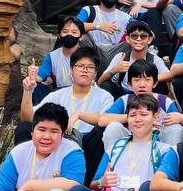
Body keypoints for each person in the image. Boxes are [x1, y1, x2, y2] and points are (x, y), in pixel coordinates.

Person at [23, 46, 114, 182]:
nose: (84, 70)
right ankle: (26, 178)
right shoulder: (58, 95)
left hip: (88, 141)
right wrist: (27, 91)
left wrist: (79, 114)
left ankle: (88, 184)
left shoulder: (104, 96)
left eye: (90, 67)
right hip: (60, 138)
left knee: (101, 131)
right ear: (71, 69)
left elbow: (106, 119)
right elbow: (27, 118)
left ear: (95, 72)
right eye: (80, 66)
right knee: (24, 128)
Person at [98, 59, 183, 150]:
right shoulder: (124, 100)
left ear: (155, 83)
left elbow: (182, 121)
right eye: (137, 80)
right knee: (113, 127)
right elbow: (102, 120)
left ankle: (170, 158)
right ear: (130, 84)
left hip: (159, 145)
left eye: (147, 80)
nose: (142, 85)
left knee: (175, 128)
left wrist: (181, 118)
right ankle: (113, 158)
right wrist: (131, 117)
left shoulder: (165, 101)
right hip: (130, 144)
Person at [97, 20, 170, 98]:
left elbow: (169, 75)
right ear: (128, 39)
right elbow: (100, 81)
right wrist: (115, 69)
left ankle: (157, 105)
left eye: (143, 36)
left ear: (149, 39)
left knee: (162, 86)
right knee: (106, 84)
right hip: (124, 94)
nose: (138, 39)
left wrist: (149, 78)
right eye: (134, 36)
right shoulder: (121, 57)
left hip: (147, 96)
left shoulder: (154, 59)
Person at [24, 16, 84, 105]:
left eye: (74, 32)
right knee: (36, 87)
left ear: (81, 36)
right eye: (65, 31)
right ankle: (40, 113)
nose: (69, 35)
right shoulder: (52, 56)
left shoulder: (87, 56)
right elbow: (39, 78)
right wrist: (32, 75)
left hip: (80, 94)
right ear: (59, 36)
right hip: (59, 94)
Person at [77, 0, 135, 67]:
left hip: (115, 52)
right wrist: (98, 26)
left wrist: (147, 30)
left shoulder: (125, 17)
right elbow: (73, 26)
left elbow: (139, 27)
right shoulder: (89, 10)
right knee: (82, 37)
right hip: (93, 50)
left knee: (135, 40)